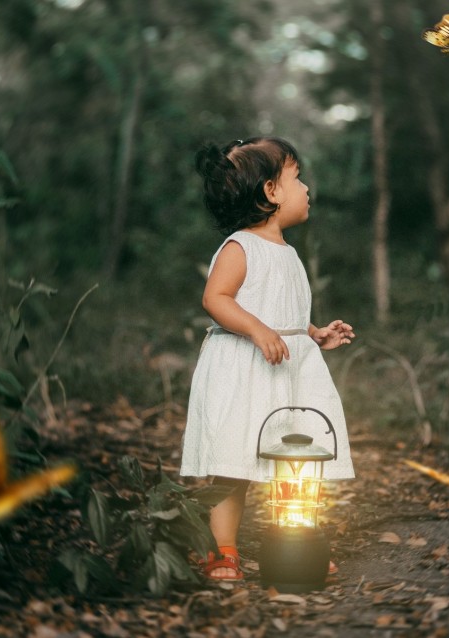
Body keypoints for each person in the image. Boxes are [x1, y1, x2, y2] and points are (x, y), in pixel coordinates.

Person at [180, 137, 356, 581]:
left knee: (293, 460)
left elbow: (286, 315)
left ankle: (294, 548)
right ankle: (223, 551)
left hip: (284, 373)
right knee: (231, 462)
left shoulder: (289, 254)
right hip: (243, 370)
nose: (307, 188)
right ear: (271, 192)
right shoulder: (241, 247)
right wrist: (258, 329)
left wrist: (314, 334)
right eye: (297, 179)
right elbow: (215, 298)